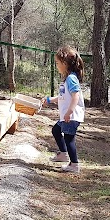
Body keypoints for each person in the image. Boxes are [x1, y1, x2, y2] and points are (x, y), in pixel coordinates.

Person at [41, 45, 85, 174]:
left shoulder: (71, 78)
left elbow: (75, 96)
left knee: (69, 139)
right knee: (56, 130)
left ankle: (74, 165)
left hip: (71, 116)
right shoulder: (66, 79)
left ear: (64, 63)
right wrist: (49, 100)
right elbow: (62, 96)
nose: (57, 65)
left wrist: (69, 112)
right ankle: (63, 154)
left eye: (57, 63)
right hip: (66, 116)